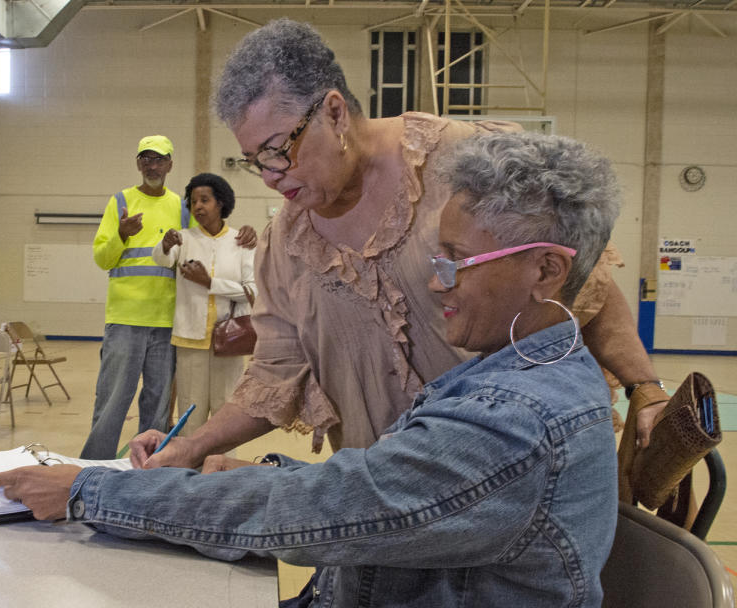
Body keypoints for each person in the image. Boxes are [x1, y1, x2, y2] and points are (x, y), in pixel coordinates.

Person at [0, 131, 621, 607]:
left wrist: (85, 490)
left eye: (456, 259)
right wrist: (257, 470)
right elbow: (392, 496)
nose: (435, 279)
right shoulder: (519, 376)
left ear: (545, 270)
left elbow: (317, 512)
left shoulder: (513, 421)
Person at [129, 18, 669, 471]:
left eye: (277, 149)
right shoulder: (285, 245)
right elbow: (273, 374)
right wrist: (193, 445)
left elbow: (583, 282)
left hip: (510, 471)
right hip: (389, 500)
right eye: (255, 161)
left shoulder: (469, 165)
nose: (269, 176)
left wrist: (645, 387)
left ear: (335, 113)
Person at [79, 137, 256, 460]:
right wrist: (121, 234)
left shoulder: (182, 206)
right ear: (138, 164)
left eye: (159, 159)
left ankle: (153, 464)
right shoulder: (120, 201)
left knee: (158, 407)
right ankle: (94, 466)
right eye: (146, 159)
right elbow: (103, 259)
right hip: (126, 318)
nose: (152, 165)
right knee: (112, 402)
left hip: (167, 323)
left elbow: (205, 240)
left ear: (170, 165)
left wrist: (243, 233)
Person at [152, 173, 257, 438]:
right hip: (189, 341)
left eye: (205, 200)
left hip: (231, 341)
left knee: (226, 415)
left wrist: (209, 282)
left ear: (220, 203)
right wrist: (164, 244)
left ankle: (222, 471)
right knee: (190, 415)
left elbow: (253, 292)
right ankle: (190, 475)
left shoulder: (241, 242)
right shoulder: (183, 239)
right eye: (193, 201)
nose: (197, 206)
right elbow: (162, 259)